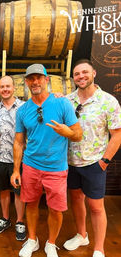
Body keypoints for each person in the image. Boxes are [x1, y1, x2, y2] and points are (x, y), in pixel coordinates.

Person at [10, 63, 83, 257]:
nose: (35, 82)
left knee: (56, 209)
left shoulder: (62, 103)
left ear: (46, 80)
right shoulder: (23, 110)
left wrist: (66, 131)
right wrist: (16, 170)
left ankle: (51, 243)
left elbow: (78, 134)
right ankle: (32, 240)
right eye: (31, 79)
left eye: (39, 78)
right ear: (26, 82)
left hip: (56, 168)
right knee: (31, 204)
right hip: (31, 166)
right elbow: (18, 142)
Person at [63, 59, 121, 257]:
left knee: (96, 207)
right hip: (70, 162)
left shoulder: (108, 101)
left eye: (85, 72)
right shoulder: (67, 100)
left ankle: (99, 248)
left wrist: (104, 161)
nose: (81, 76)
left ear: (94, 73)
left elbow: (117, 134)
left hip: (94, 163)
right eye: (77, 74)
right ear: (73, 78)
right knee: (77, 200)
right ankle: (82, 235)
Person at [0, 75, 26, 240]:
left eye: (8, 86)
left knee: (18, 192)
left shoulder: (24, 107)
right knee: (4, 191)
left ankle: (19, 221)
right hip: (0, 157)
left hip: (19, 159)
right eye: (2, 87)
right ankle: (5, 218)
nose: (5, 89)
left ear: (14, 88)